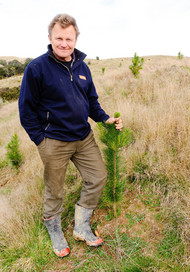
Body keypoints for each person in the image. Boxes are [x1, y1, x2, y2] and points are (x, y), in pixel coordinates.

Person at [18, 13, 123, 258]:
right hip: (53, 141)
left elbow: (91, 102)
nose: (64, 43)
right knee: (55, 189)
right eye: (59, 38)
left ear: (75, 39)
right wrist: (40, 140)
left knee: (98, 177)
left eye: (69, 38)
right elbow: (26, 109)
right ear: (50, 38)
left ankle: (81, 226)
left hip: (83, 138)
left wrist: (106, 119)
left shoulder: (83, 67)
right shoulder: (36, 68)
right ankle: (54, 230)